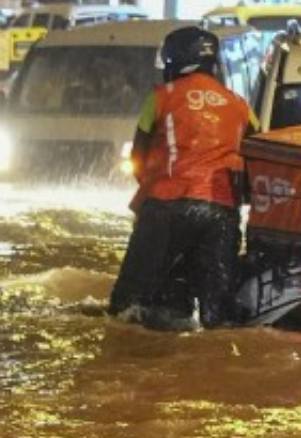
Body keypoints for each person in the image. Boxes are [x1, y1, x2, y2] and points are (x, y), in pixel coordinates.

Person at [108, 26, 257, 329]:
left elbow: (138, 157)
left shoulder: (161, 97)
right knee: (218, 315)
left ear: (175, 61)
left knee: (126, 306)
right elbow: (259, 155)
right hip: (220, 212)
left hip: (166, 206)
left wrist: (154, 192)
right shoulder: (240, 104)